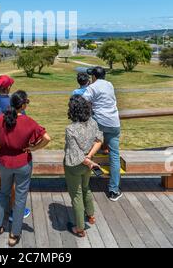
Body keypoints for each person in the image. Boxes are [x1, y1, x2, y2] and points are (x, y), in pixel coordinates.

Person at [0, 91, 51, 247]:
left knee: (3, 193)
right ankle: (14, 233)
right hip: (22, 163)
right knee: (20, 197)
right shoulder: (29, 122)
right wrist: (33, 148)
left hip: (4, 162)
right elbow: (47, 138)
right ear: (23, 105)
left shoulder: (0, 119)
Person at [0, 75, 31, 220]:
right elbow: (22, 120)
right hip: (13, 142)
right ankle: (14, 210)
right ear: (8, 88)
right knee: (14, 176)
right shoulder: (15, 102)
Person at [65, 95, 103, 238]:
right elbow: (99, 140)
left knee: (76, 195)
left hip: (74, 166)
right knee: (86, 188)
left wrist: (88, 160)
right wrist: (90, 157)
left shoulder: (71, 129)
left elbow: (76, 156)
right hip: (87, 165)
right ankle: (91, 215)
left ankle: (80, 228)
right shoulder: (93, 122)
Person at [83, 66, 122, 202]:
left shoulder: (92, 87)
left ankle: (84, 183)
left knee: (88, 149)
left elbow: (82, 102)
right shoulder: (109, 84)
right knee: (115, 156)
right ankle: (113, 190)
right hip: (113, 123)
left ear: (94, 76)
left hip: (99, 123)